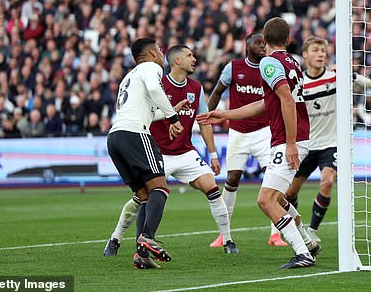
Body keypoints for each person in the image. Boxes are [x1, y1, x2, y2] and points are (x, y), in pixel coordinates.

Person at [198, 18, 320, 269]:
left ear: (264, 40)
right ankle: (308, 243)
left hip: (287, 139)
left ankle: (302, 253)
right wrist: (225, 114)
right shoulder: (292, 63)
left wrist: (290, 143)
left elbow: (286, 99)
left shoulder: (268, 62)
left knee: (265, 200)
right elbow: (268, 104)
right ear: (288, 39)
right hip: (292, 137)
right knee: (278, 198)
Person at [104, 44, 238, 258]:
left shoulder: (195, 88)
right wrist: (173, 119)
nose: (194, 59)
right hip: (156, 150)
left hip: (183, 152)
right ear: (176, 60)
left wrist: (212, 154)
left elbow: (203, 122)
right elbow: (154, 96)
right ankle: (119, 238)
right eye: (189, 55)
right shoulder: (155, 76)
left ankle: (228, 240)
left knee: (211, 187)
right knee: (147, 196)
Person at [106, 37, 184, 269]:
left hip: (115, 138)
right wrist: (173, 117)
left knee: (145, 196)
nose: (162, 54)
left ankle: (142, 256)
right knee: (160, 187)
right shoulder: (151, 68)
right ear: (151, 54)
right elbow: (153, 90)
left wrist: (169, 111)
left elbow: (145, 113)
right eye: (159, 50)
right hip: (135, 134)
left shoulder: (129, 77)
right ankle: (147, 238)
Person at [285, 36, 371, 242]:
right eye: (315, 50)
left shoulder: (335, 77)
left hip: (331, 143)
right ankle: (297, 227)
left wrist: (349, 75)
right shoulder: (299, 83)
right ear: (305, 55)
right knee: (288, 194)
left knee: (327, 182)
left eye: (323, 51)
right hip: (305, 144)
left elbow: (366, 85)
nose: (320, 54)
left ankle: (312, 230)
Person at [207, 33, 288, 248]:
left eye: (265, 43)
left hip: (264, 131)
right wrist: (207, 117)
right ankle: (223, 234)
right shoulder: (233, 68)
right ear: (247, 45)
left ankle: (276, 234)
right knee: (232, 179)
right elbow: (217, 92)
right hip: (238, 132)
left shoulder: (270, 68)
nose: (263, 46)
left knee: (273, 180)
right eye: (258, 42)